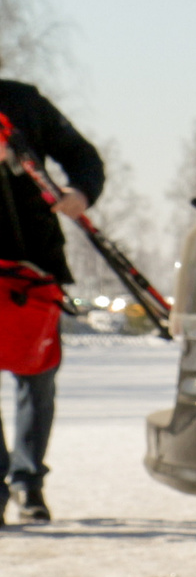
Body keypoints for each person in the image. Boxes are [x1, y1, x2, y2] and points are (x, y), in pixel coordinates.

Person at [0, 78, 106, 523]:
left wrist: (80, 193)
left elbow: (83, 156)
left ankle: (28, 482)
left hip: (35, 266)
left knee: (37, 375)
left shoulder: (23, 101)